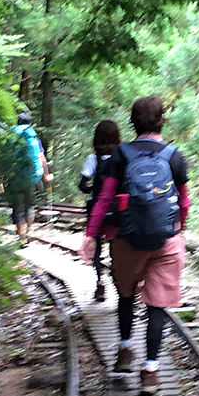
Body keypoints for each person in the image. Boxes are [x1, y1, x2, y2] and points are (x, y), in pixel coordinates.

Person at [81, 96, 189, 396]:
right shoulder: (174, 156)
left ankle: (125, 349)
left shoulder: (122, 154)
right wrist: (178, 228)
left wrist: (91, 235)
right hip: (166, 240)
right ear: (162, 121)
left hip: (126, 239)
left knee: (126, 295)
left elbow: (105, 198)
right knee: (157, 305)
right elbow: (184, 200)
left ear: (133, 122)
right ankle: (151, 370)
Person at [78, 118, 121, 302]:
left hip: (96, 209)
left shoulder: (92, 159)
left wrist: (94, 190)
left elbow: (82, 185)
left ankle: (100, 281)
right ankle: (118, 281)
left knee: (96, 247)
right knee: (115, 246)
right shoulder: (120, 157)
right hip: (116, 209)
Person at [6, 111, 52, 248]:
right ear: (30, 124)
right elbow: (41, 158)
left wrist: (1, 178)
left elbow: (4, 157)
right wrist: (46, 175)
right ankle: (28, 232)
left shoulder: (11, 137)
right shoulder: (34, 138)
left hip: (14, 177)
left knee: (17, 208)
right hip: (32, 178)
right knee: (29, 206)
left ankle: (22, 238)